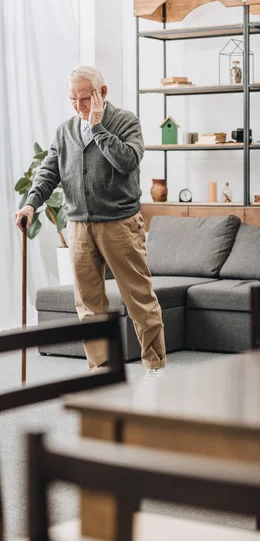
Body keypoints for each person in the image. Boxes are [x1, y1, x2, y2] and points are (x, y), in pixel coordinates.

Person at [15, 66, 166, 378]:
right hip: (79, 227)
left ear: (103, 93)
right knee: (88, 305)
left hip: (120, 224)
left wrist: (97, 128)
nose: (79, 106)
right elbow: (48, 172)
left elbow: (127, 161)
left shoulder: (125, 121)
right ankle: (101, 370)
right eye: (73, 99)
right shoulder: (65, 130)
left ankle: (155, 367)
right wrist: (31, 204)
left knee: (139, 300)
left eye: (85, 98)